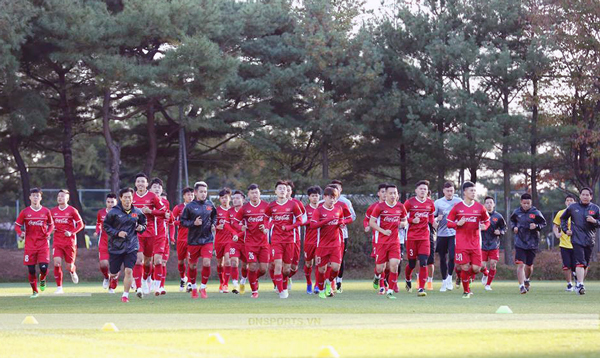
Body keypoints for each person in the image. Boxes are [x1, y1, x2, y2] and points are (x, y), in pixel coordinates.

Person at [103, 187, 147, 302]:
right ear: (121, 198)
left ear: (132, 199)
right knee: (113, 272)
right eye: (125, 197)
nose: (128, 199)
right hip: (115, 247)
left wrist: (141, 228)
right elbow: (106, 226)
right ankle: (114, 277)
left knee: (129, 271)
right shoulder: (113, 212)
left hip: (131, 246)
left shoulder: (137, 212)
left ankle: (125, 295)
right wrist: (117, 233)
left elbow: (143, 223)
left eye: (130, 197)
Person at [446, 181, 490, 298]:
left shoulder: (480, 207)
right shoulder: (457, 207)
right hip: (461, 243)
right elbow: (449, 223)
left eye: (475, 191)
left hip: (475, 243)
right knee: (465, 267)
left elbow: (487, 220)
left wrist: (485, 226)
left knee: (476, 268)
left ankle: (461, 276)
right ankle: (466, 291)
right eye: (471, 190)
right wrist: (457, 224)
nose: (473, 193)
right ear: (464, 192)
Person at [265, 180, 304, 298]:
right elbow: (266, 219)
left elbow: (300, 221)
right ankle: (281, 291)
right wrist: (266, 228)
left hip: (290, 240)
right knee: (277, 265)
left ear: (288, 191)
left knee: (287, 269)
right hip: (276, 240)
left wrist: (289, 227)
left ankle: (284, 284)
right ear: (276, 191)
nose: (282, 190)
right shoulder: (271, 205)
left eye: (284, 189)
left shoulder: (293, 205)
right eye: (280, 188)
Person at [311, 187, 352, 299]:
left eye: (334, 198)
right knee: (321, 269)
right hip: (322, 245)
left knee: (335, 268)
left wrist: (343, 222)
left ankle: (329, 283)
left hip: (336, 244)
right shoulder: (318, 210)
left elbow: (348, 219)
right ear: (324, 197)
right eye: (330, 197)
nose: (332, 200)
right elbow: (313, 225)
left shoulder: (339, 208)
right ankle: (320, 289)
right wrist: (326, 221)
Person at [369, 184, 408, 299]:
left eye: (394, 193)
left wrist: (401, 224)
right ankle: (377, 276)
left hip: (395, 242)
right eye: (390, 193)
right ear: (385, 194)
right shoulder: (380, 207)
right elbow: (372, 223)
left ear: (397, 195)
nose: (392, 195)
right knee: (380, 268)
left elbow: (405, 221)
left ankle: (390, 291)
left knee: (394, 265)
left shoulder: (401, 207)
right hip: (381, 242)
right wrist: (383, 231)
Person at [15, 188, 55, 298]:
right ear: (30, 197)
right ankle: (35, 291)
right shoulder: (25, 212)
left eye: (37, 195)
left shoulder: (46, 211)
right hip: (30, 245)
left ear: (40, 198)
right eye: (33, 195)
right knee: (31, 270)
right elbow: (17, 226)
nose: (35, 197)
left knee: (43, 268)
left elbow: (51, 225)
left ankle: (42, 278)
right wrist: (20, 233)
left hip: (43, 245)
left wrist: (48, 232)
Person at [232, 184, 271, 298]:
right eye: (252, 193)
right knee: (252, 267)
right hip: (249, 243)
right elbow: (234, 222)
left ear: (259, 193)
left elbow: (271, 220)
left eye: (256, 192)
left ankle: (253, 279)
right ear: (248, 195)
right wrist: (241, 228)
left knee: (263, 269)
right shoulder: (244, 208)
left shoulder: (266, 206)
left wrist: (266, 227)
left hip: (263, 243)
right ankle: (254, 291)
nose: (254, 195)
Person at [180, 181, 218, 299]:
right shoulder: (189, 206)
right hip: (193, 241)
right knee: (192, 266)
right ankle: (194, 286)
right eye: (201, 192)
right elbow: (183, 222)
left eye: (205, 192)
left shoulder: (210, 205)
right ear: (196, 192)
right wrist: (194, 223)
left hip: (207, 240)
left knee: (206, 263)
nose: (203, 194)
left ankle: (203, 287)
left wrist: (213, 224)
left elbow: (214, 216)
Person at [560, 187, 600, 295]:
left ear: (591, 197)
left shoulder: (595, 209)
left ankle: (579, 282)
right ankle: (580, 284)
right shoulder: (573, 207)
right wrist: (565, 230)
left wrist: (595, 221)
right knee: (580, 263)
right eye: (583, 194)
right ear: (580, 195)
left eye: (588, 195)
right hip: (576, 239)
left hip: (590, 240)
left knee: (585, 264)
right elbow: (563, 219)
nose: (585, 196)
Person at [132, 173, 166, 297]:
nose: (140, 184)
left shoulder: (152, 197)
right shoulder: (131, 197)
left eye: (143, 182)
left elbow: (163, 212)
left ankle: (146, 279)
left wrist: (150, 211)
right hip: (136, 234)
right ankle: (139, 286)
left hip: (151, 233)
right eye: (138, 181)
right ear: (135, 184)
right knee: (138, 260)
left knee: (147, 262)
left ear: (147, 184)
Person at [403, 180, 437, 297]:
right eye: (421, 189)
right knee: (412, 264)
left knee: (423, 262)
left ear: (427, 192)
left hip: (425, 237)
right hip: (412, 237)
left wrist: (433, 224)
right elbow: (401, 217)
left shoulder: (430, 203)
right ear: (416, 190)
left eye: (425, 189)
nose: (423, 191)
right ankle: (407, 278)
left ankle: (421, 288)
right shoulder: (409, 203)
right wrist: (412, 220)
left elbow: (431, 215)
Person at [510, 193, 546, 294]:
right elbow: (512, 221)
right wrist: (514, 227)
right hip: (520, 242)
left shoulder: (536, 212)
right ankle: (521, 286)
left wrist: (536, 226)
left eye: (528, 203)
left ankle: (527, 279)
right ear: (521, 202)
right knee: (520, 264)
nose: (526, 205)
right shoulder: (516, 212)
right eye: (524, 203)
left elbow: (544, 224)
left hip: (532, 242)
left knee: (529, 266)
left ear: (531, 203)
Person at [50, 189, 85, 294]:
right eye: (58, 196)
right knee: (57, 263)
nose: (60, 198)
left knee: (69, 266)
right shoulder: (52, 211)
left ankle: (72, 271)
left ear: (67, 198)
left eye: (62, 196)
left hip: (69, 242)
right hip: (57, 241)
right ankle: (59, 287)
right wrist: (51, 230)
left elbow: (80, 225)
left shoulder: (72, 210)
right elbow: (48, 225)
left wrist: (71, 232)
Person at [433, 181, 462, 292]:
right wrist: (437, 219)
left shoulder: (458, 201)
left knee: (452, 257)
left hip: (454, 233)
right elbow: (433, 218)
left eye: (452, 191)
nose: (450, 193)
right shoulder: (438, 202)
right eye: (448, 191)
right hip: (441, 234)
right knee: (442, 258)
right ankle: (444, 281)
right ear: (444, 191)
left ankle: (450, 278)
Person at [329, 180, 356, 293]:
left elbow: (352, 216)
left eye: (338, 189)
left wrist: (342, 221)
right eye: (334, 189)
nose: (336, 191)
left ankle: (339, 280)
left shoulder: (345, 202)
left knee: (340, 259)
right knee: (327, 260)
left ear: (341, 190)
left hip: (342, 235)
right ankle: (329, 282)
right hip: (326, 236)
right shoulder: (323, 202)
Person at [364, 184, 388, 290]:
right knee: (380, 264)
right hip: (378, 240)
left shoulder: (395, 206)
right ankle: (381, 286)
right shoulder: (373, 207)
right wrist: (366, 226)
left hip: (391, 240)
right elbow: (366, 219)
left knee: (388, 265)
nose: (384, 194)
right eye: (382, 192)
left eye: (386, 192)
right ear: (378, 193)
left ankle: (381, 279)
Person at [481, 196, 506, 290]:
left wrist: (500, 232)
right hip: (482, 244)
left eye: (491, 202)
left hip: (494, 244)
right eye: (487, 203)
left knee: (493, 263)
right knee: (481, 266)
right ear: (484, 205)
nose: (489, 204)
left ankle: (488, 285)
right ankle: (485, 273)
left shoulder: (498, 216)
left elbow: (504, 228)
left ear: (494, 204)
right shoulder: (481, 216)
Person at [172, 187, 194, 292]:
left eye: (192, 194)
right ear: (184, 196)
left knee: (190, 261)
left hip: (193, 239)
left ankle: (190, 283)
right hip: (181, 239)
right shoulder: (178, 208)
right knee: (180, 262)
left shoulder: (197, 207)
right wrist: (181, 222)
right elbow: (171, 220)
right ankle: (183, 278)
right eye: (188, 194)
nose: (190, 196)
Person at [95, 193, 118, 292]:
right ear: (106, 202)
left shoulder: (120, 213)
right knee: (103, 264)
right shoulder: (101, 212)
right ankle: (106, 277)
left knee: (114, 266)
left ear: (116, 202)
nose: (110, 204)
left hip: (117, 243)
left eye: (112, 202)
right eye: (108, 202)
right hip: (104, 242)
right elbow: (98, 223)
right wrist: (97, 231)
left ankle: (111, 287)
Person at [553, 195, 576, 291]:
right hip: (564, 244)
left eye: (571, 200)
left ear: (575, 202)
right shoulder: (561, 213)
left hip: (576, 244)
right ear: (565, 202)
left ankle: (578, 283)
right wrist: (557, 233)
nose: (569, 202)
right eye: (567, 200)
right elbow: (555, 226)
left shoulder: (578, 213)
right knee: (567, 265)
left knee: (576, 266)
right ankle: (569, 284)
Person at [214, 188, 236, 293]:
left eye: (226, 197)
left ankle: (226, 284)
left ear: (230, 198)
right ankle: (221, 282)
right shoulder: (216, 211)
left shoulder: (233, 211)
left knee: (228, 261)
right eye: (222, 198)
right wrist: (216, 227)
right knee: (219, 263)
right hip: (219, 240)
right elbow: (212, 224)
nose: (224, 200)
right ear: (219, 199)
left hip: (229, 240)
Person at [303, 186, 322, 294]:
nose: (315, 198)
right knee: (308, 264)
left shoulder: (323, 208)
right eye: (313, 196)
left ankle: (317, 285)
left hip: (320, 242)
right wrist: (312, 221)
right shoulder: (305, 209)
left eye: (316, 196)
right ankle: (309, 282)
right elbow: (302, 222)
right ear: (309, 197)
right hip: (309, 241)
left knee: (318, 264)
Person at [229, 190, 247, 294]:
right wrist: (233, 234)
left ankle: (243, 282)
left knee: (245, 266)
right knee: (234, 262)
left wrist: (238, 235)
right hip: (234, 242)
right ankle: (235, 285)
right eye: (234, 198)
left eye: (238, 198)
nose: (235, 200)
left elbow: (248, 229)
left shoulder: (247, 211)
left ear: (243, 199)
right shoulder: (230, 211)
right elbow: (227, 225)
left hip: (246, 242)